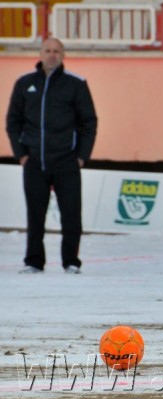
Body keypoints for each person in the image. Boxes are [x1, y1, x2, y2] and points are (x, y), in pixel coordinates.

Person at [5, 37, 97, 274]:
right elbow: (13, 121)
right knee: (35, 214)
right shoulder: (25, 83)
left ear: (63, 55)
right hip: (34, 161)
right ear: (40, 53)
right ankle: (34, 261)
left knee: (71, 215)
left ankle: (71, 262)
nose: (52, 55)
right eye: (47, 50)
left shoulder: (76, 84)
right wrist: (21, 154)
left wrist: (81, 156)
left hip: (67, 161)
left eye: (57, 51)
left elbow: (89, 122)